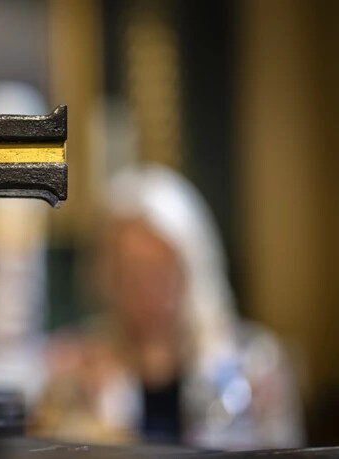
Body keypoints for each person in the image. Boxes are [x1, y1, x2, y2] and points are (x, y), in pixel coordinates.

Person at [30, 164, 304, 450]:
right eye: (129, 274)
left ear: (194, 267)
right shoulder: (73, 367)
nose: (147, 291)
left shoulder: (255, 364)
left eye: (160, 271)